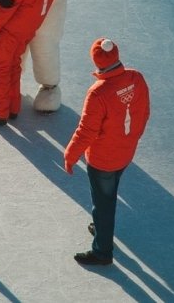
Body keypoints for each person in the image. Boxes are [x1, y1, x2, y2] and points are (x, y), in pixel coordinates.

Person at [64, 38, 150, 266]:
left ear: (96, 61)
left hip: (103, 160)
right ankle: (101, 228)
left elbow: (86, 131)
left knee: (103, 202)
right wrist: (133, 138)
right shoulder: (136, 78)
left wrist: (70, 155)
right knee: (108, 196)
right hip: (125, 152)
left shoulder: (98, 93)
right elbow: (143, 112)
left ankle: (102, 250)